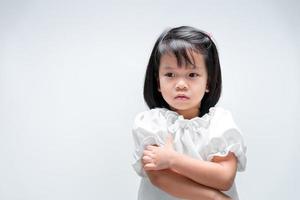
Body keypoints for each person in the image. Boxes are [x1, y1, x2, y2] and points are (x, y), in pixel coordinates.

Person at [131, 26, 247, 200]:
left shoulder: (219, 122)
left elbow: (224, 178)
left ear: (208, 81)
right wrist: (215, 198)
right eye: (170, 74)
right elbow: (160, 177)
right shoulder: (151, 123)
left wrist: (173, 160)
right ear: (158, 82)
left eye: (192, 74)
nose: (181, 84)